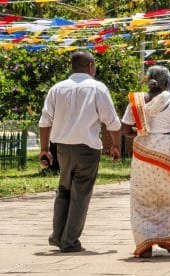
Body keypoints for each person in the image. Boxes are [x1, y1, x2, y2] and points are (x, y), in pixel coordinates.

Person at [38, 50, 121, 253]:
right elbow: (111, 121)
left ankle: (57, 236)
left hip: (63, 149)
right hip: (87, 149)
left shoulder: (57, 89)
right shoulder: (97, 88)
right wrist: (116, 145)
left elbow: (44, 121)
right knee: (81, 193)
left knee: (64, 190)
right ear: (90, 66)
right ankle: (70, 241)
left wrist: (44, 149)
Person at [120, 66, 170, 258]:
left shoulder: (136, 101)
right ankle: (167, 239)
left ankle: (146, 244)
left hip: (143, 153)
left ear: (147, 81)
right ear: (167, 83)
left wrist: (142, 133)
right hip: (168, 154)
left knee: (142, 199)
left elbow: (125, 130)